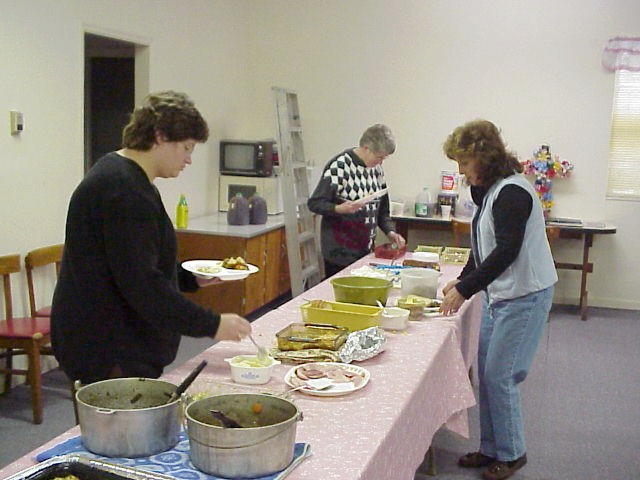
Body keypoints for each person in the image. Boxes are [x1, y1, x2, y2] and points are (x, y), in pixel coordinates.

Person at [51, 91, 252, 385]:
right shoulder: (124, 190)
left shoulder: (127, 179)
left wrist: (188, 277)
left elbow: (132, 261)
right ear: (160, 137)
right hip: (110, 349)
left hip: (112, 342)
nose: (189, 159)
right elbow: (142, 284)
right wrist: (213, 324)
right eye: (186, 148)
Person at [440, 120, 557, 480]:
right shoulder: (489, 190)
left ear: (483, 157)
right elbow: (482, 243)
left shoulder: (512, 194)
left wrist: (465, 289)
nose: (461, 170)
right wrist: (464, 278)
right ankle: (491, 448)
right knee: (488, 375)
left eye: (464, 162)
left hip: (525, 295)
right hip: (501, 294)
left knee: (501, 376)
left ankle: (511, 453)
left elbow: (506, 251)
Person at [307, 124, 406, 278]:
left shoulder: (377, 170)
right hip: (339, 252)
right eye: (379, 157)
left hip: (365, 250)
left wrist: (390, 232)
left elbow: (382, 211)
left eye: (384, 158)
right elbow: (315, 203)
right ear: (366, 148)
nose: (381, 162)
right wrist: (339, 209)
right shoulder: (340, 167)